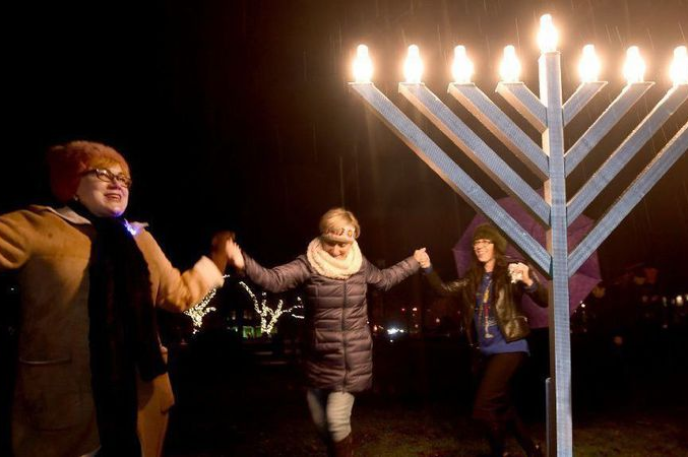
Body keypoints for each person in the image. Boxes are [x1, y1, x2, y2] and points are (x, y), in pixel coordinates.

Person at [0, 140, 232, 457]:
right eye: (102, 173)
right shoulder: (37, 227)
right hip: (63, 405)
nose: (116, 184)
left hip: (139, 400)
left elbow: (179, 294)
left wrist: (218, 258)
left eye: (123, 178)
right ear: (73, 182)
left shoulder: (140, 240)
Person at [224, 208, 423, 457]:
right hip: (317, 359)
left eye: (344, 244)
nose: (338, 250)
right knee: (322, 425)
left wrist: (413, 261)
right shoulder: (308, 263)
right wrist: (243, 261)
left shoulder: (359, 264)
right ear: (323, 237)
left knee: (336, 420)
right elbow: (273, 280)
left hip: (350, 358)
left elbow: (384, 279)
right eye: (332, 243)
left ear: (353, 239)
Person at [416, 223, 547, 457]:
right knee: (504, 406)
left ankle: (500, 452)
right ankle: (532, 449)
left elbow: (544, 300)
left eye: (485, 242)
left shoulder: (511, 269)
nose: (479, 247)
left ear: (495, 245)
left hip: (511, 344)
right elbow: (445, 290)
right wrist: (427, 267)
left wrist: (529, 281)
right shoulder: (474, 277)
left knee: (483, 406)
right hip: (486, 350)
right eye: (476, 243)